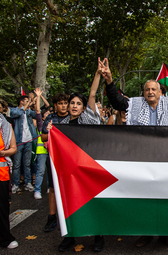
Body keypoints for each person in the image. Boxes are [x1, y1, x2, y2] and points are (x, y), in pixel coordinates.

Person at [103, 58, 168, 247]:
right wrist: (109, 80)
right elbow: (116, 100)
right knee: (144, 198)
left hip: (167, 161)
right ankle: (146, 232)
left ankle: (165, 233)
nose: (150, 92)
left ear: (161, 92)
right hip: (142, 160)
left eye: (154, 89)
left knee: (166, 198)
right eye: (147, 89)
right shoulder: (134, 105)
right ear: (143, 93)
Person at [56, 57, 102, 252]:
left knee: (93, 202)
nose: (74, 106)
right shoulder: (62, 126)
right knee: (70, 203)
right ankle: (70, 236)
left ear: (84, 108)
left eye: (78, 103)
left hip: (88, 169)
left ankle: (99, 236)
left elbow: (92, 93)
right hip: (70, 172)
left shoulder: (88, 119)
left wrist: (98, 73)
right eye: (71, 103)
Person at [41, 92, 69, 233]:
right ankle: (52, 217)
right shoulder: (50, 118)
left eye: (65, 103)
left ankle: (69, 217)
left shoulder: (72, 117)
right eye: (60, 103)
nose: (63, 106)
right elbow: (43, 137)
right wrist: (50, 131)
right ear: (55, 105)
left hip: (69, 159)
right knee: (52, 187)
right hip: (53, 157)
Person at [10, 95, 37, 193]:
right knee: (17, 164)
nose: (28, 102)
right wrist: (28, 103)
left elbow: (37, 113)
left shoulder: (29, 111)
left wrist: (36, 100)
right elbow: (17, 113)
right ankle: (15, 184)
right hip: (18, 141)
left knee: (27, 164)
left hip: (29, 141)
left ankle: (28, 183)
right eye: (26, 101)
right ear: (21, 102)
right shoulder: (14, 110)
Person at [0, 113, 18, 249]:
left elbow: (13, 148)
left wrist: (3, 153)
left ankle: (5, 238)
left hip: (2, 174)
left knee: (2, 208)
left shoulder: (5, 125)